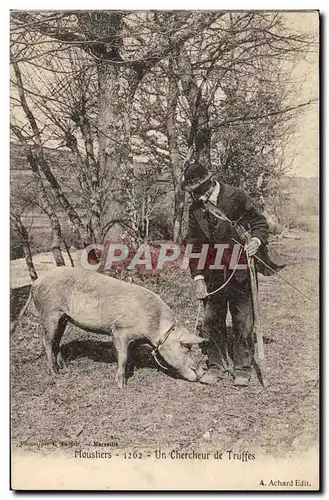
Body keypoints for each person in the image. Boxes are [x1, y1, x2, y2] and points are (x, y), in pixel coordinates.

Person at [182, 162, 285, 387]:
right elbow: (194, 245)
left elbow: (259, 223)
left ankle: (242, 368)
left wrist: (256, 241)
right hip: (213, 273)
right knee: (211, 321)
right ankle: (217, 365)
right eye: (193, 193)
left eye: (199, 191)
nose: (197, 197)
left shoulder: (236, 196)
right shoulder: (195, 209)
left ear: (209, 184)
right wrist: (198, 277)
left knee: (243, 320)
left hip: (240, 270)